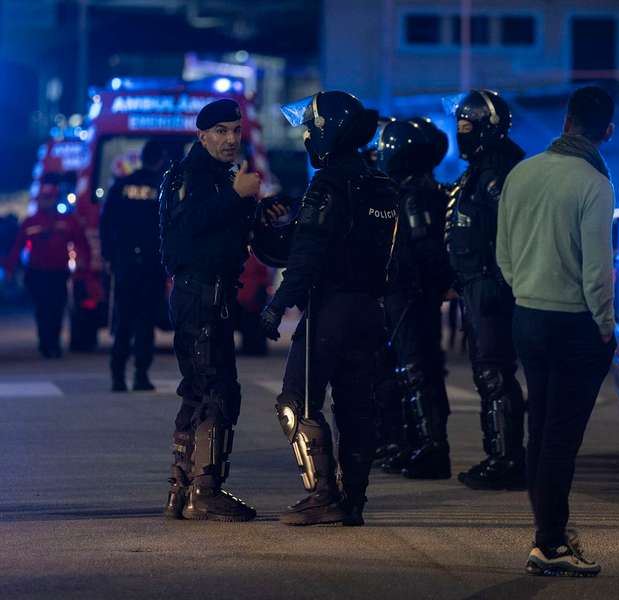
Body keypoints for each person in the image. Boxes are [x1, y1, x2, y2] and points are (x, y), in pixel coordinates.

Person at [259, 91, 397, 526]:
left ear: (325, 132)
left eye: (309, 127)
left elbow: (308, 255)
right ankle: (353, 501)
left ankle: (323, 495)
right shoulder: (379, 183)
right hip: (371, 312)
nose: (305, 135)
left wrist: (277, 305)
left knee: (295, 404)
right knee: (357, 408)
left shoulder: (329, 184)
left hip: (330, 311)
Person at [496, 86, 618, 577]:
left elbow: (503, 254)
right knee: (561, 438)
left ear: (566, 121)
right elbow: (597, 271)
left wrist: (526, 289)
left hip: (528, 315)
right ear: (606, 131)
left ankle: (549, 530)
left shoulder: (522, 172)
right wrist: (605, 327)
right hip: (575, 323)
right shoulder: (594, 183)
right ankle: (549, 541)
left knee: (541, 427)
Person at [161, 98, 275, 522]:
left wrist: (259, 209)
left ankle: (182, 487)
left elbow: (222, 229)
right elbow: (188, 226)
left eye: (235, 130)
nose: (230, 139)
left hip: (211, 292)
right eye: (221, 132)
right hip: (200, 293)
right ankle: (204, 491)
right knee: (216, 389)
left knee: (198, 389)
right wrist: (234, 193)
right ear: (202, 135)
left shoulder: (218, 176)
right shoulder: (193, 175)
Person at [444, 89, 527, 490]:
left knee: (495, 373)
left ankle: (507, 458)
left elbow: (507, 232)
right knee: (486, 372)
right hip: (476, 284)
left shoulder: (500, 171)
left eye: (468, 127)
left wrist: (495, 281)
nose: (462, 134)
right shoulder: (480, 168)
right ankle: (499, 454)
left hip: (492, 286)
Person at [377, 117, 455, 479]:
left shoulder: (414, 196)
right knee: (410, 369)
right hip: (408, 292)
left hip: (409, 293)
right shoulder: (413, 191)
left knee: (416, 369)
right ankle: (413, 443)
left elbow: (427, 251)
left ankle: (431, 446)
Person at [99, 140, 167, 392]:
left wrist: (110, 256)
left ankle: (117, 377)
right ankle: (140, 375)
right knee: (145, 322)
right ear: (159, 159)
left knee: (123, 320)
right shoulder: (161, 187)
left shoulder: (121, 185)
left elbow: (106, 223)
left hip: (125, 263)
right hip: (152, 264)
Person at [3, 183, 91, 358]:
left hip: (59, 272)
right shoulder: (31, 222)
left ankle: (54, 343)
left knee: (57, 308)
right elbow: (17, 246)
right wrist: (9, 268)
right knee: (42, 309)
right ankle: (45, 342)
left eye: (50, 198)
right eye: (44, 198)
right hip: (37, 273)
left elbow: (81, 242)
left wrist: (83, 260)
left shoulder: (67, 221)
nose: (47, 202)